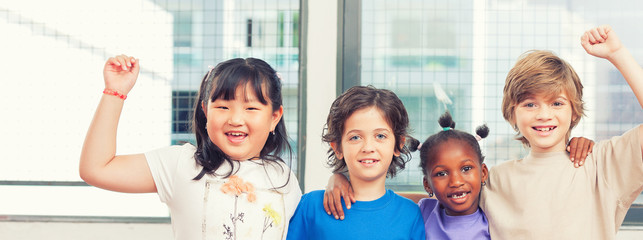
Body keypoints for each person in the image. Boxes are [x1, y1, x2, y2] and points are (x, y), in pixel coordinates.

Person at [80, 55, 301, 240]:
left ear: (274, 117)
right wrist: (114, 93)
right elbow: (97, 168)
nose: (235, 119)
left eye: (251, 108)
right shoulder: (181, 164)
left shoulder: (285, 178)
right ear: (205, 111)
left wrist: (336, 180)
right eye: (223, 106)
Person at [480, 25, 643, 239]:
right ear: (512, 114)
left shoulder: (601, 165)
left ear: (574, 111)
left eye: (557, 103)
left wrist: (617, 54)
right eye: (530, 105)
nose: (544, 114)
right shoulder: (494, 180)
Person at [286, 85, 425, 240]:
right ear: (337, 147)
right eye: (355, 137)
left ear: (398, 144)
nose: (368, 147)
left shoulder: (410, 215)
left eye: (380, 136)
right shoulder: (311, 207)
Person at [407, 111, 491, 239]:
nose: (456, 182)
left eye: (466, 168)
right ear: (427, 184)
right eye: (441, 173)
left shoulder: (493, 222)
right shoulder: (424, 211)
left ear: (483, 173)